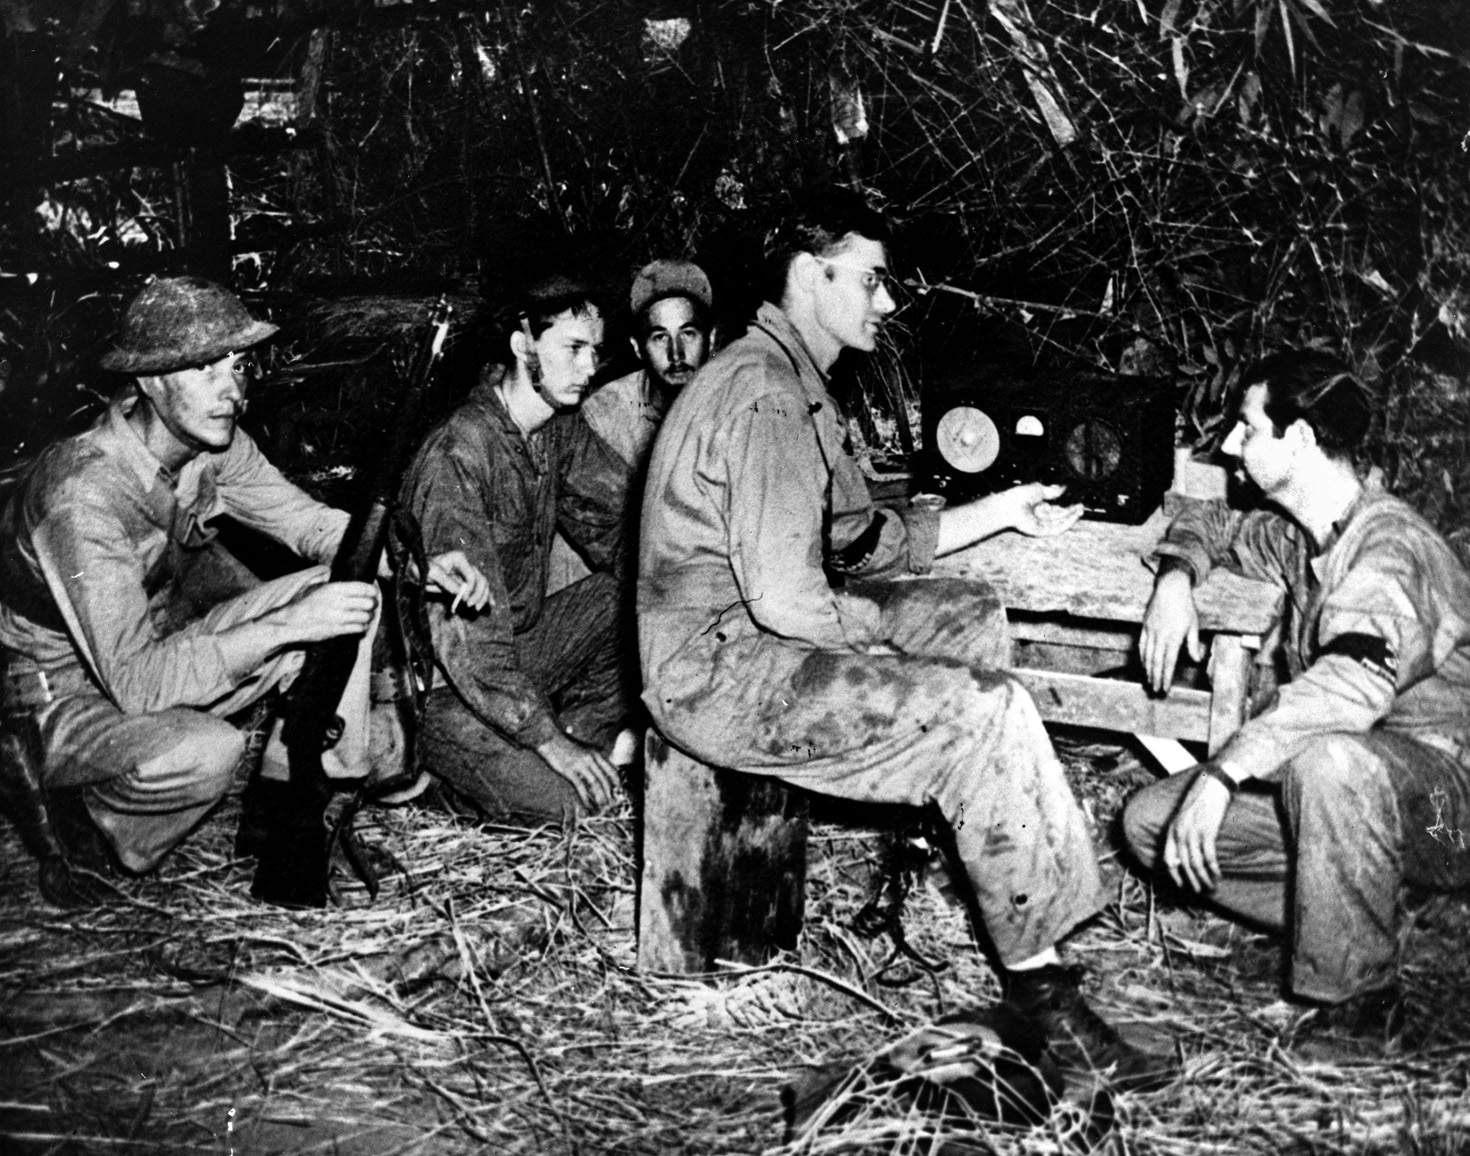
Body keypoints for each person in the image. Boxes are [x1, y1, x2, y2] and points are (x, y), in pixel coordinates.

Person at [638, 188, 1175, 1090]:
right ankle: (1051, 1012)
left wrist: (1001, 510)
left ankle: (944, 854)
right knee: (984, 713)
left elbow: (862, 534)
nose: (886, 303)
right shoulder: (764, 396)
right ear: (812, 276)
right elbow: (791, 603)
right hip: (719, 674)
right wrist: (888, 647)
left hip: (752, 640)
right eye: (874, 281)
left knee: (966, 612)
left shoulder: (795, 381)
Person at [0, 276, 488, 906]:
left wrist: (418, 565)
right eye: (205, 368)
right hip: (54, 692)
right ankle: (84, 815)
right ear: (149, 381)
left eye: (238, 365)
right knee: (207, 752)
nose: (232, 390)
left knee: (346, 588)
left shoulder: (209, 445)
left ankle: (299, 797)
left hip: (147, 643)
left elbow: (312, 526)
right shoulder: (82, 496)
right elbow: (139, 683)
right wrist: (289, 626)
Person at [1123, 349, 1470, 1048]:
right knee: (1151, 824)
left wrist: (1224, 772)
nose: (1228, 444)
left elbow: (1351, 685)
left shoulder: (1389, 550)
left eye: (1248, 429)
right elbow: (1208, 523)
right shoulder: (1302, 535)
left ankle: (1362, 1002)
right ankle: (1355, 916)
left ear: (1303, 439)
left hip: (1447, 809)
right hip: (1370, 801)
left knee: (1331, 763)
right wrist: (1175, 582)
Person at [400, 270, 636, 823]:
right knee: (572, 809)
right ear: (522, 343)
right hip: (443, 685)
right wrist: (548, 741)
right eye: (573, 349)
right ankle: (432, 777)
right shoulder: (460, 453)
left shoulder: (557, 427)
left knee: (631, 594)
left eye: (595, 351)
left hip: (519, 656)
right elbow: (469, 641)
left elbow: (622, 525)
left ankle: (582, 740)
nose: (589, 368)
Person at [546, 259, 715, 593]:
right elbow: (616, 539)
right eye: (659, 338)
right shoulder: (605, 416)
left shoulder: (731, 407)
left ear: (712, 340)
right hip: (595, 591)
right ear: (638, 348)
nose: (676, 353)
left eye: (688, 333)